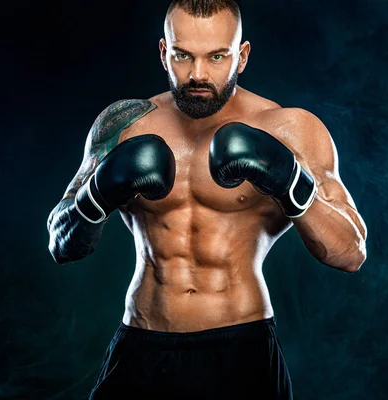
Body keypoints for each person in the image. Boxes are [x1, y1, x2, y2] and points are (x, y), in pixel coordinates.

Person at [47, 0, 368, 398]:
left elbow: (350, 253)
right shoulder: (124, 124)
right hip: (143, 342)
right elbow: (60, 243)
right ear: (164, 52)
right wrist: (96, 194)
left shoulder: (289, 129)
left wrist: (289, 179)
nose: (198, 74)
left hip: (242, 349)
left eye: (217, 56)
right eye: (183, 55)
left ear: (242, 56)